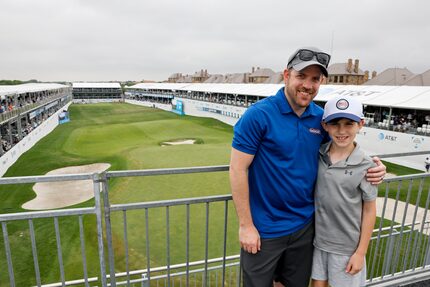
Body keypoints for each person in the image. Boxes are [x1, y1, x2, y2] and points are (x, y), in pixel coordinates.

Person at [229, 46, 386, 287]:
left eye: (315, 79)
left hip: (306, 229)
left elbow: (343, 147)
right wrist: (246, 225)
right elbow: (238, 169)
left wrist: (374, 165)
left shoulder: (320, 118)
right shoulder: (258, 115)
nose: (308, 85)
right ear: (287, 75)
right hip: (264, 230)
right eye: (301, 76)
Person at [311, 95, 377, 287]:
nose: (341, 131)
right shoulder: (319, 153)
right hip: (319, 243)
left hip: (347, 248)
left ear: (361, 124)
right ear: (325, 125)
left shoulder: (367, 165)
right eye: (335, 123)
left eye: (349, 123)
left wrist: (360, 252)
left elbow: (369, 210)